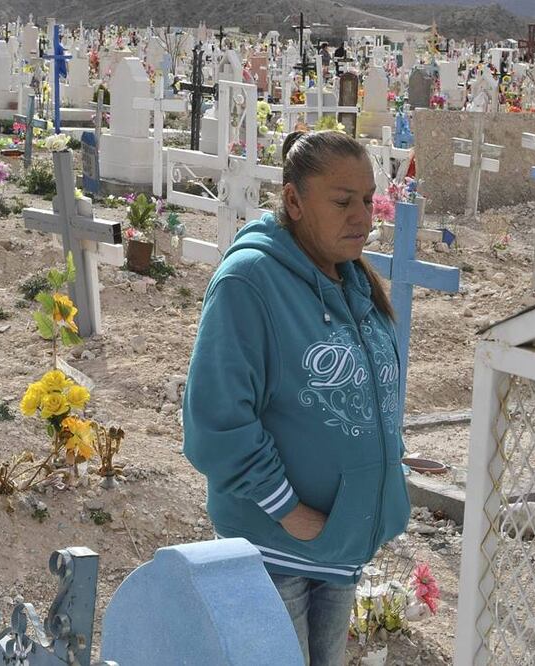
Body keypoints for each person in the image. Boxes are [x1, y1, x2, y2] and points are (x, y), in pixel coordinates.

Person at [183, 131, 410, 666]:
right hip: (277, 547)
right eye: (341, 201)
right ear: (293, 201)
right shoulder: (250, 282)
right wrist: (289, 511)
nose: (363, 216)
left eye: (366, 198)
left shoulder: (352, 281)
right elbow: (217, 419)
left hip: (336, 545)